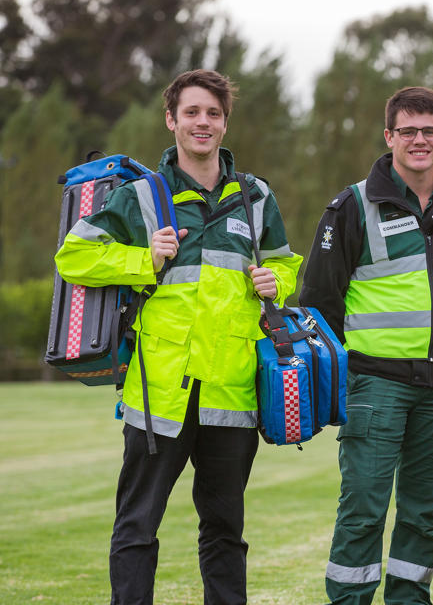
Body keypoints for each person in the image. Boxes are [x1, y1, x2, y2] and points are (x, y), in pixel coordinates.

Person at [55, 68, 302, 605]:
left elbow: (286, 267)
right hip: (159, 393)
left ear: (225, 123)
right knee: (137, 528)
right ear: (171, 120)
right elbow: (73, 256)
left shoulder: (256, 197)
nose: (202, 123)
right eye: (191, 112)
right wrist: (146, 258)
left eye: (213, 113)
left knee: (224, 534)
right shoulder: (144, 196)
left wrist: (274, 282)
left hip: (232, 394)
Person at [299, 86, 433, 605]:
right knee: (364, 506)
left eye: (430, 131)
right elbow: (317, 299)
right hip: (374, 383)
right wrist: (350, 370)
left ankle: (410, 599)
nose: (420, 140)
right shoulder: (353, 205)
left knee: (425, 512)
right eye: (408, 131)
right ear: (389, 137)